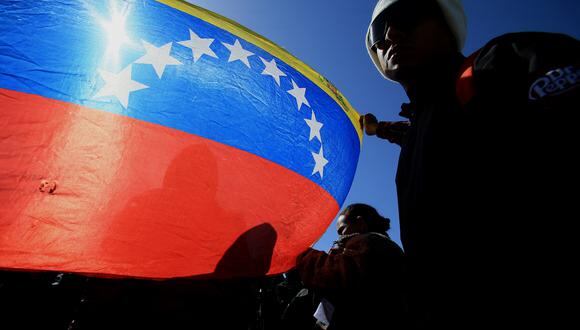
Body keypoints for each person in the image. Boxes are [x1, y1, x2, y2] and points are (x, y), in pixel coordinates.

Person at [361, 0, 579, 328]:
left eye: (406, 17)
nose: (390, 34)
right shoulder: (422, 129)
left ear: (448, 26)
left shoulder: (501, 63)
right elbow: (427, 136)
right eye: (379, 32)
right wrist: (383, 130)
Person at [295, 204, 409, 330]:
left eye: (342, 230)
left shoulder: (371, 243)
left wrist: (301, 254)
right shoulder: (384, 246)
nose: (340, 237)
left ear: (360, 223)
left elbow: (338, 276)